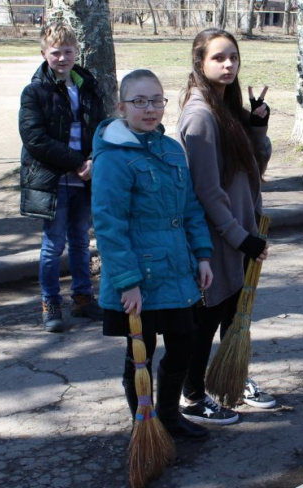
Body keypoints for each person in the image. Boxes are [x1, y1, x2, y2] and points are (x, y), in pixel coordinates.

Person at [91, 69, 214, 441]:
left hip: (177, 270)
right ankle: (144, 428)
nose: (149, 109)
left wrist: (203, 255)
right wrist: (127, 283)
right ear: (121, 106)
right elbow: (110, 224)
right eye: (139, 101)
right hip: (139, 278)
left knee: (183, 346)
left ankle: (170, 417)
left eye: (156, 100)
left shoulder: (171, 149)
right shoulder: (113, 157)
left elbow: (190, 206)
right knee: (140, 355)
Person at [176, 28, 275, 425]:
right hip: (215, 238)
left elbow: (253, 171)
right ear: (199, 61)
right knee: (206, 318)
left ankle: (231, 379)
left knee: (233, 314)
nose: (228, 64)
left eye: (233, 56)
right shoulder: (200, 116)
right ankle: (192, 396)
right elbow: (206, 191)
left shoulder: (225, 107)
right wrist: (241, 238)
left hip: (237, 231)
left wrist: (255, 127)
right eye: (218, 58)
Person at [19, 22, 106, 333]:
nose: (62, 58)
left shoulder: (88, 86)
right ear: (44, 54)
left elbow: (102, 128)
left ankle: (83, 298)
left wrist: (94, 160)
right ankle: (50, 302)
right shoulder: (35, 92)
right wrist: (75, 162)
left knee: (81, 241)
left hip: (84, 177)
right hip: (53, 179)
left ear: (76, 52)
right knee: (53, 244)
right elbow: (34, 138)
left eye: (68, 51)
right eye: (55, 52)